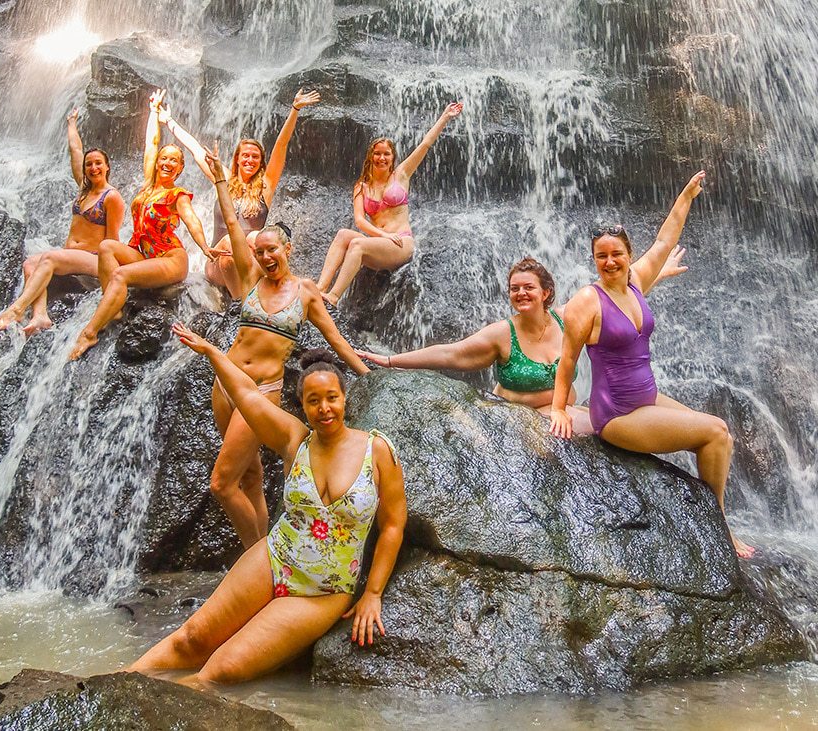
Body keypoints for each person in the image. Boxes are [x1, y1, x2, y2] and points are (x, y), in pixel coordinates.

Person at [127, 340, 406, 686]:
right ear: (302, 405)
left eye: (331, 397)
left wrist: (373, 593)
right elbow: (247, 394)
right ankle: (108, 687)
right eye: (313, 401)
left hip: (324, 591)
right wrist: (214, 354)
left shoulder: (376, 450)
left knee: (222, 670)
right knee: (192, 639)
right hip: (274, 558)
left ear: (344, 397)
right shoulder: (294, 439)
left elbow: (393, 524)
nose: (324, 408)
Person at [548, 171, 755, 559]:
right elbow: (568, 358)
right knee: (713, 431)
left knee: (721, 437)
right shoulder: (585, 302)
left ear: (628, 254)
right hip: (618, 415)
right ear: (594, 259)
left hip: (649, 397)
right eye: (601, 256)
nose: (609, 262)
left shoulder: (636, 284)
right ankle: (719, 527)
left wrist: (686, 196)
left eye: (616, 254)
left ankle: (716, 520)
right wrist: (559, 408)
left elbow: (664, 238)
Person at [197, 141, 371, 548]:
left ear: (287, 249)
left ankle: (250, 562)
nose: (265, 256)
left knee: (222, 484)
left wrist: (366, 373)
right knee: (250, 477)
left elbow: (336, 340)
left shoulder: (306, 293)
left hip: (261, 392)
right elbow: (233, 224)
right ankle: (261, 560)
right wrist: (222, 178)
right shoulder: (252, 281)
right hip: (224, 385)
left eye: (272, 249)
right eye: (260, 252)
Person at [354, 254, 685, 432]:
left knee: (608, 426)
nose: (521, 293)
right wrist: (392, 361)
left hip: (557, 413)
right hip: (513, 422)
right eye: (515, 289)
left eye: (528, 287)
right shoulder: (502, 334)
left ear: (545, 293)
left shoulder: (567, 316)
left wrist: (657, 273)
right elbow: (451, 353)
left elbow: (615, 296)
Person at [69, 90, 215, 360]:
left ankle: (89, 333)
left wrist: (205, 246)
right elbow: (151, 144)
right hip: (142, 252)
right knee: (107, 247)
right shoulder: (148, 187)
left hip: (171, 257)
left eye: (174, 160)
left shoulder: (177, 194)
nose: (167, 162)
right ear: (158, 163)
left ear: (180, 168)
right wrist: (153, 112)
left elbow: (191, 219)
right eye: (164, 158)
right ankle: (114, 305)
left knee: (120, 275)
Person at [163, 89, 321, 298]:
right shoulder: (224, 179)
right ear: (237, 159)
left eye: (255, 157)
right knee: (230, 241)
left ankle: (279, 287)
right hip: (219, 264)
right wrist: (168, 121)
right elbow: (195, 148)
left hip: (252, 262)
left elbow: (281, 146)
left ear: (261, 163)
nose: (250, 160)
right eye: (245, 155)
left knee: (257, 236)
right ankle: (241, 304)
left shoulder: (266, 186)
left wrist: (295, 109)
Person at [0, 108, 124, 334]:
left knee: (49, 258)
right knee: (30, 264)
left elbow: (112, 240)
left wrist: (109, 276)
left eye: (98, 163)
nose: (93, 168)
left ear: (107, 167)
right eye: (89, 164)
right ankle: (40, 315)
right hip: (70, 255)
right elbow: (76, 149)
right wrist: (71, 122)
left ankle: (16, 310)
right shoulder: (83, 189)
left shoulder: (112, 197)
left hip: (94, 259)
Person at [317, 102, 464, 306]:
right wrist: (384, 235)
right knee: (344, 235)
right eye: (377, 153)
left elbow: (425, 145)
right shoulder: (361, 186)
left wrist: (445, 117)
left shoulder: (401, 175)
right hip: (382, 243)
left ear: (393, 157)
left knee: (357, 244)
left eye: (386, 154)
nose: (382, 158)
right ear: (371, 157)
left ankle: (333, 297)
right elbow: (359, 221)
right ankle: (320, 289)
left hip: (401, 243)